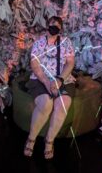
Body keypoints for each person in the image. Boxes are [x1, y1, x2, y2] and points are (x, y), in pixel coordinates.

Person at [24, 16, 76, 159]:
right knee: (46, 103)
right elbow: (35, 64)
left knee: (63, 104)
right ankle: (31, 138)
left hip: (62, 78)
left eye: (58, 26)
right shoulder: (39, 43)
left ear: (61, 28)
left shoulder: (66, 42)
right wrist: (47, 83)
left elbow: (70, 63)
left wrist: (60, 80)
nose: (55, 27)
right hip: (41, 79)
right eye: (52, 25)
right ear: (47, 26)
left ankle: (49, 141)